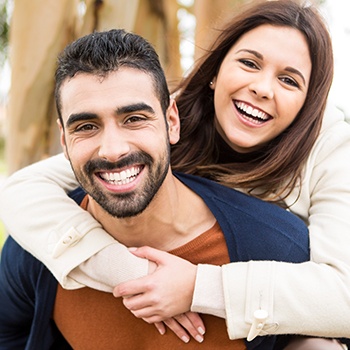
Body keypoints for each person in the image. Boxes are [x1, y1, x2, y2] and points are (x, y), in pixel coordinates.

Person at [0, 0, 350, 347]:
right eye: (248, 63)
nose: (262, 87)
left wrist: (198, 287)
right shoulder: (159, 115)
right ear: (214, 71)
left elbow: (344, 297)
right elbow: (26, 188)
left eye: (289, 80)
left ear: (309, 102)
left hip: (272, 318)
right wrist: (135, 274)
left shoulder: (330, 150)